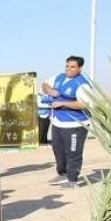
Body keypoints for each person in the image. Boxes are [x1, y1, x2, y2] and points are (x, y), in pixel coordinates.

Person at [43, 56, 91, 189]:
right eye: (67, 66)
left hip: (75, 124)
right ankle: (62, 173)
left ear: (79, 68)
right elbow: (45, 84)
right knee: (58, 150)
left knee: (73, 152)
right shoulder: (59, 77)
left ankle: (72, 180)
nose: (69, 69)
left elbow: (83, 104)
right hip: (58, 122)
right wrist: (50, 90)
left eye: (72, 67)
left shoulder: (82, 84)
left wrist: (63, 103)